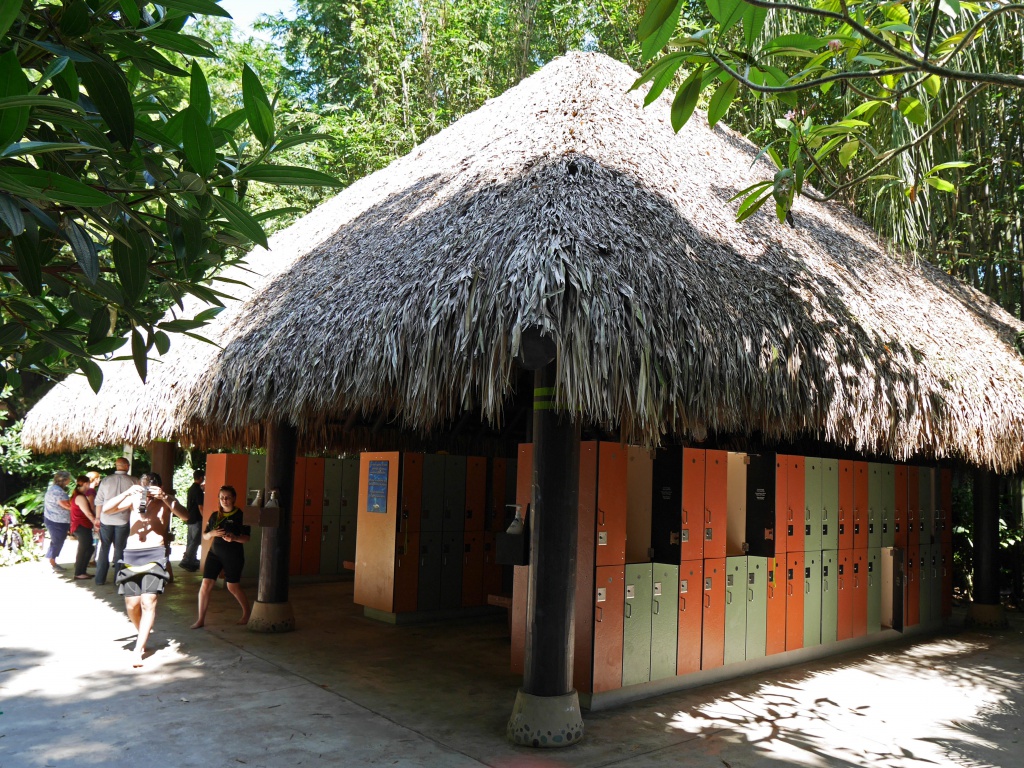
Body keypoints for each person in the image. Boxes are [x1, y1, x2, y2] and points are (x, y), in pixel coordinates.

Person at [102, 472, 187, 667]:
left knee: (149, 602)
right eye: (144, 487)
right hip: (132, 554)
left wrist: (164, 497)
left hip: (155, 553)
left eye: (151, 488)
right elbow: (106, 510)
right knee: (132, 605)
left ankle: (138, 649)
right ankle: (143, 634)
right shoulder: (134, 498)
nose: (147, 492)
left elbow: (186, 516)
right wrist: (128, 492)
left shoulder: (166, 501)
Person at [191, 485, 250, 629]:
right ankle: (200, 619)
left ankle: (247, 613)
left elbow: (246, 538)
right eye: (222, 497)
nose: (224, 500)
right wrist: (212, 534)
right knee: (206, 584)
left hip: (233, 555)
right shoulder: (214, 515)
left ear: (234, 498)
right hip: (214, 554)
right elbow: (205, 535)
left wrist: (234, 538)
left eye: (228, 497)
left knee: (232, 586)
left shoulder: (241, 516)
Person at [93, 457, 138, 586]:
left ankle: (99, 579)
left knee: (104, 548)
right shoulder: (134, 481)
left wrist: (97, 518)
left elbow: (99, 501)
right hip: (123, 519)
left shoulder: (106, 480)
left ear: (116, 466)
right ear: (127, 466)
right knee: (120, 549)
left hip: (106, 519)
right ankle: (118, 579)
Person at [43, 470, 73, 573]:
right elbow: (67, 505)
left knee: (56, 541)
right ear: (64, 480)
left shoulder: (55, 489)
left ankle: (51, 561)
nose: (70, 480)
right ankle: (51, 562)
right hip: (56, 521)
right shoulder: (58, 491)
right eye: (69, 478)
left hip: (55, 520)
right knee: (57, 541)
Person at [69, 475, 97, 580]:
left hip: (82, 526)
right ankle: (79, 572)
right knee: (84, 549)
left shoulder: (78, 495)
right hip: (81, 525)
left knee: (89, 548)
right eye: (89, 484)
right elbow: (88, 513)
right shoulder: (80, 497)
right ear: (85, 484)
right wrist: (96, 522)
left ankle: (82, 571)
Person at [179, 470, 205, 572]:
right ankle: (187, 561)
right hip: (197, 519)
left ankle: (191, 560)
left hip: (190, 518)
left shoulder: (191, 489)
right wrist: (205, 518)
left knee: (190, 541)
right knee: (195, 541)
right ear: (201, 478)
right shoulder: (198, 490)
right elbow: (200, 507)